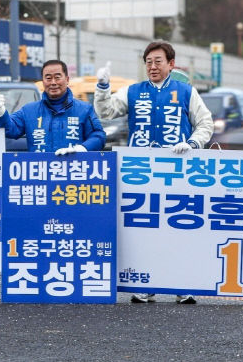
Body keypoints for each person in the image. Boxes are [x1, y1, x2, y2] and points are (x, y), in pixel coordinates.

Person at [94, 41, 213, 305]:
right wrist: (103, 87)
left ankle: (181, 284)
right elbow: (105, 111)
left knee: (177, 226)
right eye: (148, 62)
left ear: (171, 64)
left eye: (158, 61)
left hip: (177, 170)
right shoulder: (133, 91)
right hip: (140, 171)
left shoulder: (186, 92)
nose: (152, 66)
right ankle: (145, 285)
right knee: (142, 228)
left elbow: (205, 122)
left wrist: (193, 143)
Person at [0, 59, 106, 154]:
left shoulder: (84, 109)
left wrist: (82, 149)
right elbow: (10, 130)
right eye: (48, 78)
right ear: (43, 81)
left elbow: (98, 136)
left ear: (67, 79)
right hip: (40, 177)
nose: (53, 82)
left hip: (74, 175)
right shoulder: (29, 111)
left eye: (58, 77)